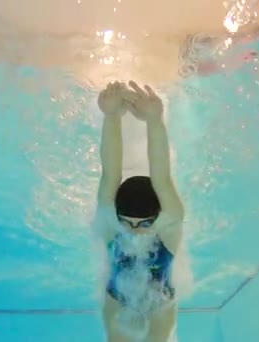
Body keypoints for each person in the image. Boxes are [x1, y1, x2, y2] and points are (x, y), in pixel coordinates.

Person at [93, 80, 185, 342]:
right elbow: (110, 172)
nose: (133, 231)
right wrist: (111, 116)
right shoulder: (111, 218)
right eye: (127, 223)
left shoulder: (169, 222)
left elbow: (162, 177)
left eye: (143, 224)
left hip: (160, 302)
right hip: (117, 296)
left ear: (156, 217)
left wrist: (155, 120)